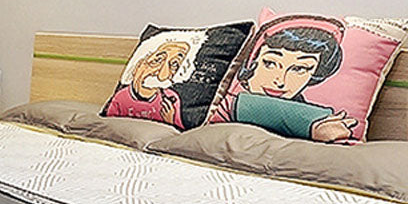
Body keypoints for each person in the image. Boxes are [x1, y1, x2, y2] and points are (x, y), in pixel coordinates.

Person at [214, 21, 358, 142]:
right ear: (252, 62)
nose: (280, 81)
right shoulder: (226, 105)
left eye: (299, 69)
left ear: (315, 75)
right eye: (270, 63)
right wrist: (312, 126)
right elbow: (238, 106)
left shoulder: (299, 106)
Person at [103, 34, 201, 127]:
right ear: (138, 65)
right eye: (157, 60)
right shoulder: (120, 97)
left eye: (174, 65)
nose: (162, 74)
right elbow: (107, 125)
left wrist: (170, 119)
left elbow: (178, 132)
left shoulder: (171, 98)